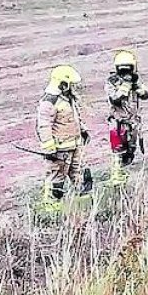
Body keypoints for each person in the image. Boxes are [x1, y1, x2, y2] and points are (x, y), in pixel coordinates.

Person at [35, 65, 91, 207]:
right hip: (60, 150)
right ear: (63, 84)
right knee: (56, 180)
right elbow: (44, 126)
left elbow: (74, 117)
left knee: (80, 175)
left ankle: (84, 207)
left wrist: (83, 130)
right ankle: (51, 210)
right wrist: (49, 149)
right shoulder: (49, 102)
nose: (73, 87)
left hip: (75, 144)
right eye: (70, 84)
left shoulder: (68, 99)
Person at [105, 49, 148, 184]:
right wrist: (125, 85)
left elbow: (145, 95)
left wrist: (135, 85)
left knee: (130, 150)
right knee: (117, 151)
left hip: (132, 122)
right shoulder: (112, 81)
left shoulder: (135, 79)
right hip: (118, 123)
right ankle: (116, 177)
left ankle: (124, 173)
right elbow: (115, 99)